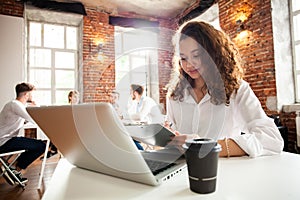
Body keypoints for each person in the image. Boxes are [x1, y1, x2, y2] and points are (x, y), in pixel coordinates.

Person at [165, 21, 284, 158]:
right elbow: (172, 141)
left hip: (227, 172)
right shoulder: (175, 94)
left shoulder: (236, 90)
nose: (189, 64)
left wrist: (207, 148)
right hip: (182, 172)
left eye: (196, 55)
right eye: (183, 58)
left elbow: (272, 139)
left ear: (212, 54)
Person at [0, 82, 46, 185]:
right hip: (4, 141)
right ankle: (16, 168)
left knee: (36, 145)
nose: (33, 96)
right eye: (32, 94)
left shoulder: (15, 105)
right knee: (40, 146)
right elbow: (35, 119)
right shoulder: (15, 105)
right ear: (26, 94)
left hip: (6, 140)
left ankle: (13, 169)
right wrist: (35, 104)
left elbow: (26, 120)